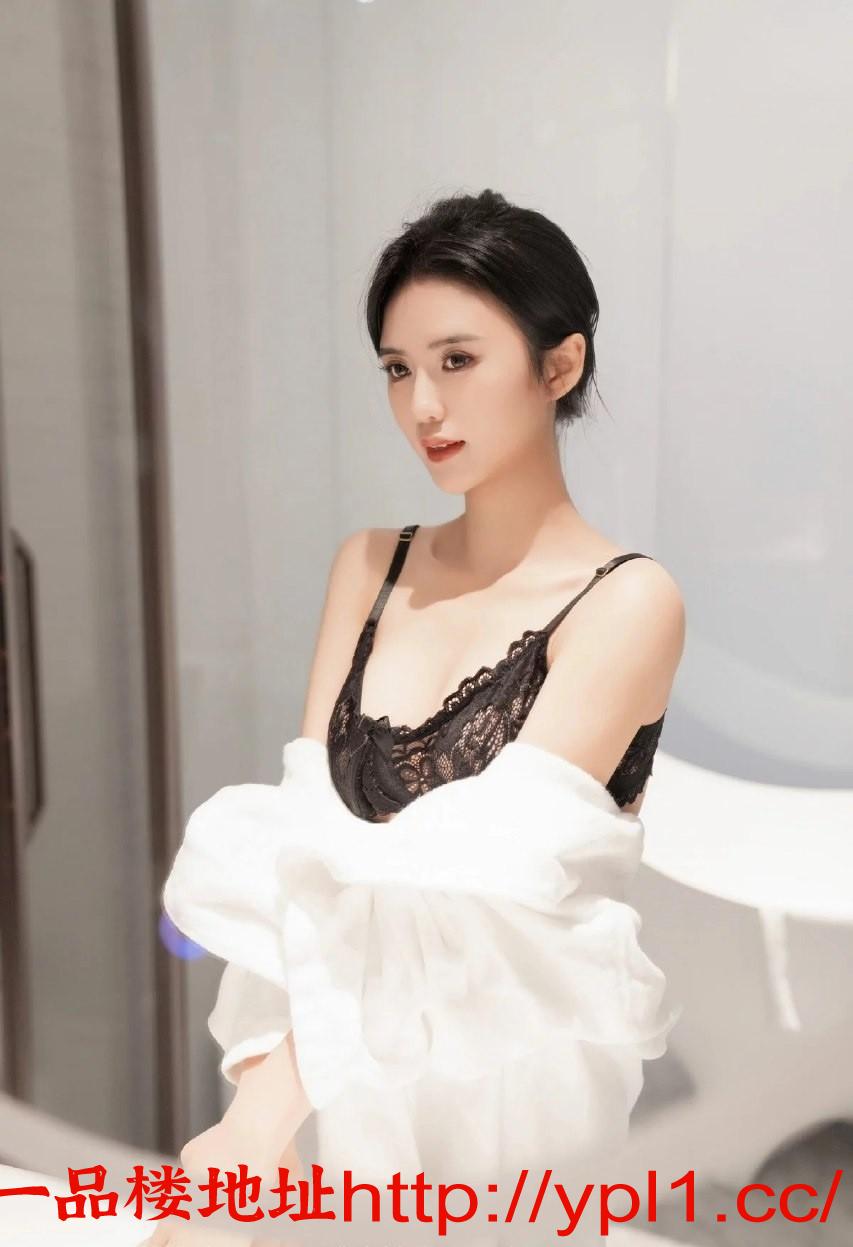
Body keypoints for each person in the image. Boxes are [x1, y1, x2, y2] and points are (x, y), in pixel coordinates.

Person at [151, 188, 686, 1247]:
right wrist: (256, 1128)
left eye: (457, 360)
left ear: (559, 365)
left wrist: (255, 1125)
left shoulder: (628, 601)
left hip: (506, 1134)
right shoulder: (369, 566)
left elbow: (475, 893)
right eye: (398, 369)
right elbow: (293, 866)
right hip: (322, 1107)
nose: (422, 407)